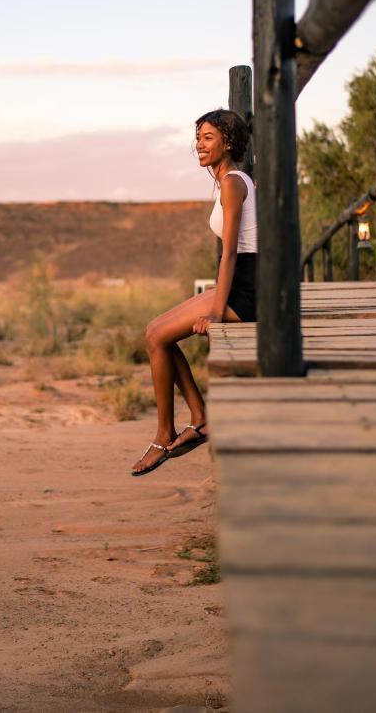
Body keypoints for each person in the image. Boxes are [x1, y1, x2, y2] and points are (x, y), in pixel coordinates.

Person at [131, 109, 257, 476]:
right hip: (240, 283)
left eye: (208, 137)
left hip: (247, 290)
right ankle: (199, 417)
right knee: (156, 332)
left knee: (157, 337)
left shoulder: (233, 182)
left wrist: (217, 311)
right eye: (198, 138)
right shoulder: (225, 181)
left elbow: (232, 251)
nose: (199, 145)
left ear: (228, 143)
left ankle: (164, 434)